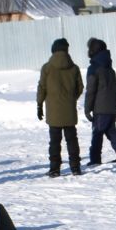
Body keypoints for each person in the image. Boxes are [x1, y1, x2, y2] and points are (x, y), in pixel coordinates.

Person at [36, 37, 83, 177]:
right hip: (69, 110)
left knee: (55, 142)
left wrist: (39, 104)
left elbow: (42, 87)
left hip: (53, 112)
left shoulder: (47, 68)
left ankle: (55, 169)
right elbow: (80, 87)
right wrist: (71, 98)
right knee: (72, 140)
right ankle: (75, 167)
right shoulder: (74, 68)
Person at [84, 38, 116, 168]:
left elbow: (91, 90)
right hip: (112, 106)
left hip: (101, 108)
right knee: (111, 130)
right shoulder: (109, 67)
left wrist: (87, 108)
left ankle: (95, 159)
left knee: (97, 132)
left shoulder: (94, 68)